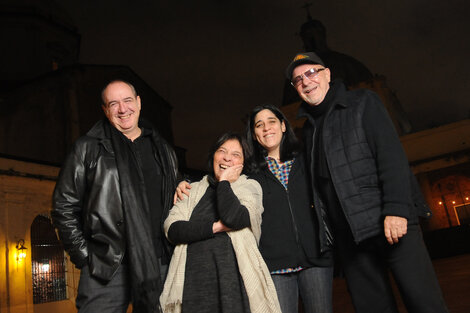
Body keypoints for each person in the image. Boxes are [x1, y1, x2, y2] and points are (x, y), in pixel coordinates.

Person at [285, 52, 448, 313]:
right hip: (350, 238)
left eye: (311, 73)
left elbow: (390, 155)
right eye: (298, 80)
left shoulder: (363, 102)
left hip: (390, 224)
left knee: (424, 304)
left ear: (327, 74)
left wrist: (396, 209)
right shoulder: (309, 130)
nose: (305, 81)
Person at [52, 80, 179, 313]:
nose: (123, 109)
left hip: (159, 263)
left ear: (138, 103)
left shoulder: (163, 149)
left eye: (128, 101)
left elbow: (173, 192)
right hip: (108, 266)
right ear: (105, 110)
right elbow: (64, 206)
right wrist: (85, 257)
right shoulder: (87, 148)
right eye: (114, 103)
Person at [160, 132, 281, 313]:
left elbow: (234, 217)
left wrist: (224, 182)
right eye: (222, 151)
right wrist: (215, 227)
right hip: (193, 285)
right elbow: (173, 229)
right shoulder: (191, 190)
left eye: (236, 155)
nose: (227, 158)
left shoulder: (250, 187)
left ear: (243, 163)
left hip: (233, 286)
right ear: (213, 155)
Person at [245, 104, 333, 313]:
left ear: (283, 126)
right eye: (259, 125)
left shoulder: (307, 160)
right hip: (275, 267)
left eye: (272, 121)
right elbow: (218, 182)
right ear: (255, 135)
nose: (266, 128)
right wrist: (186, 185)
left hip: (316, 260)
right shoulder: (249, 175)